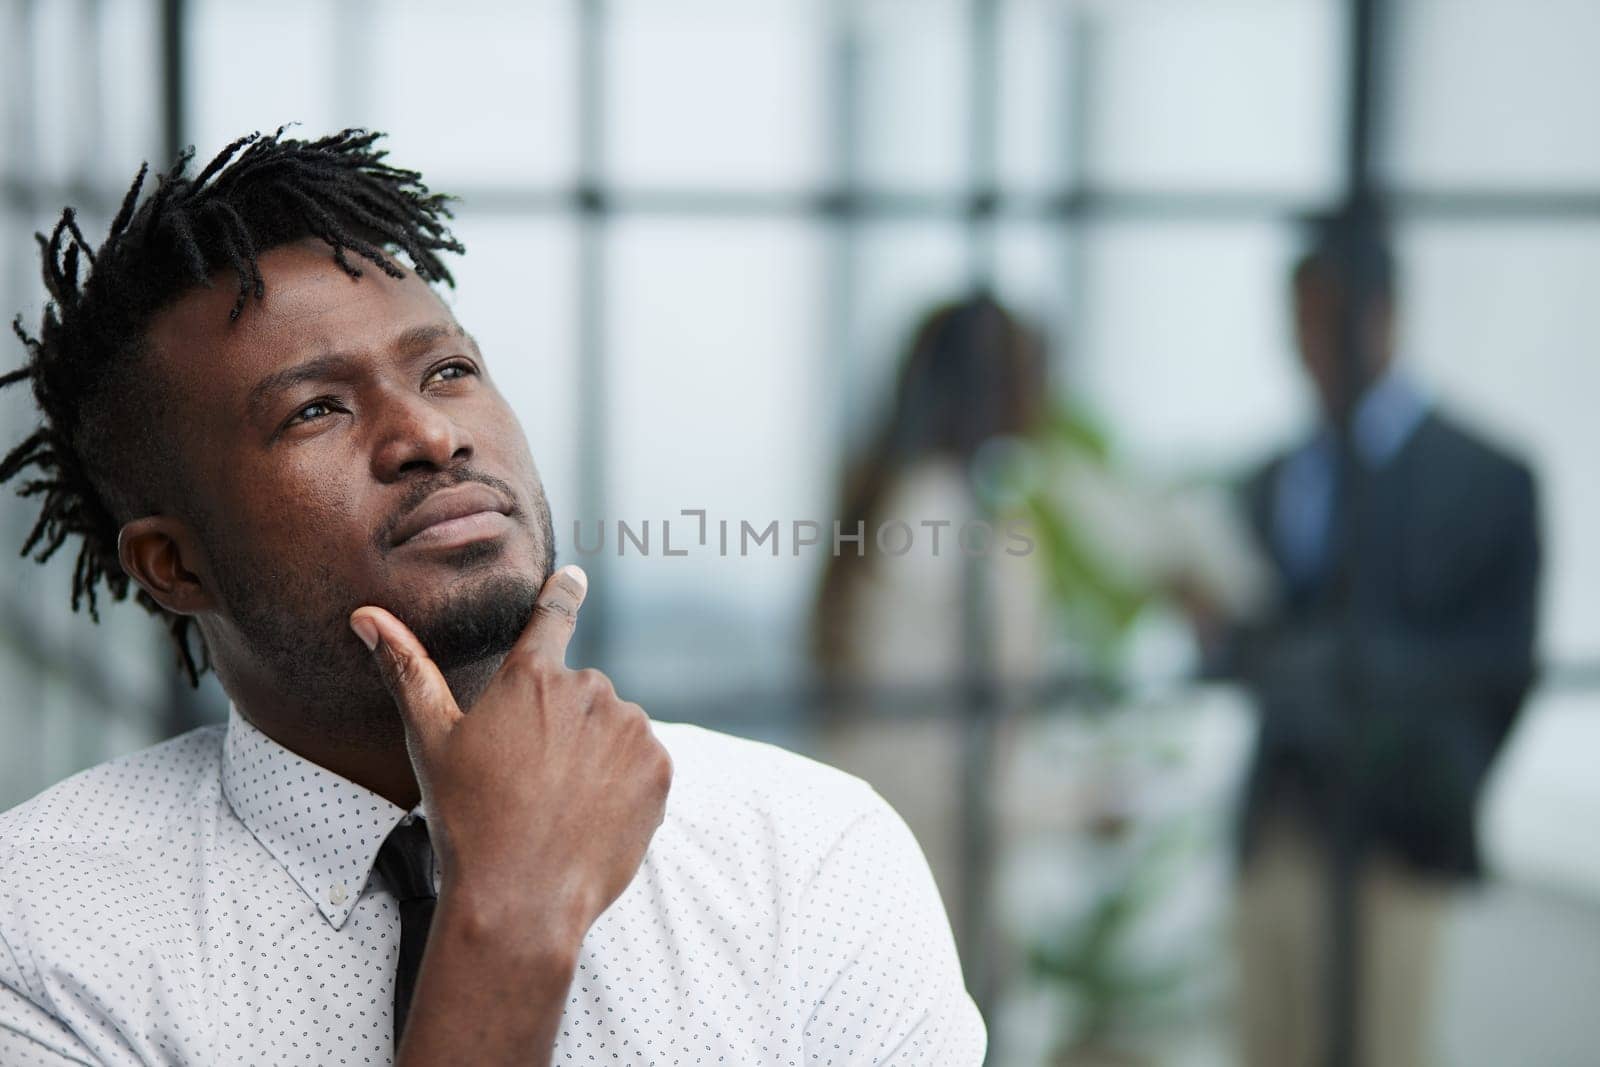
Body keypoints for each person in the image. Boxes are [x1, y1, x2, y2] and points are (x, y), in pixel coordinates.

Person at [0, 128, 985, 1065]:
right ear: (175, 564)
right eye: (315, 409)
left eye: (451, 368)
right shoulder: (47, 925)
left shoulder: (802, 851)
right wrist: (510, 916)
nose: (430, 431)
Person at [1210, 216, 1542, 1067]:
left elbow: (1495, 673)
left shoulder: (1486, 478)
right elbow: (1241, 652)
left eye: (1327, 323)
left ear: (1384, 316)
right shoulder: (1269, 476)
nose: (1309, 350)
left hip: (1397, 839)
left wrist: (1422, 767)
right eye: (1298, 325)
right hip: (1278, 835)